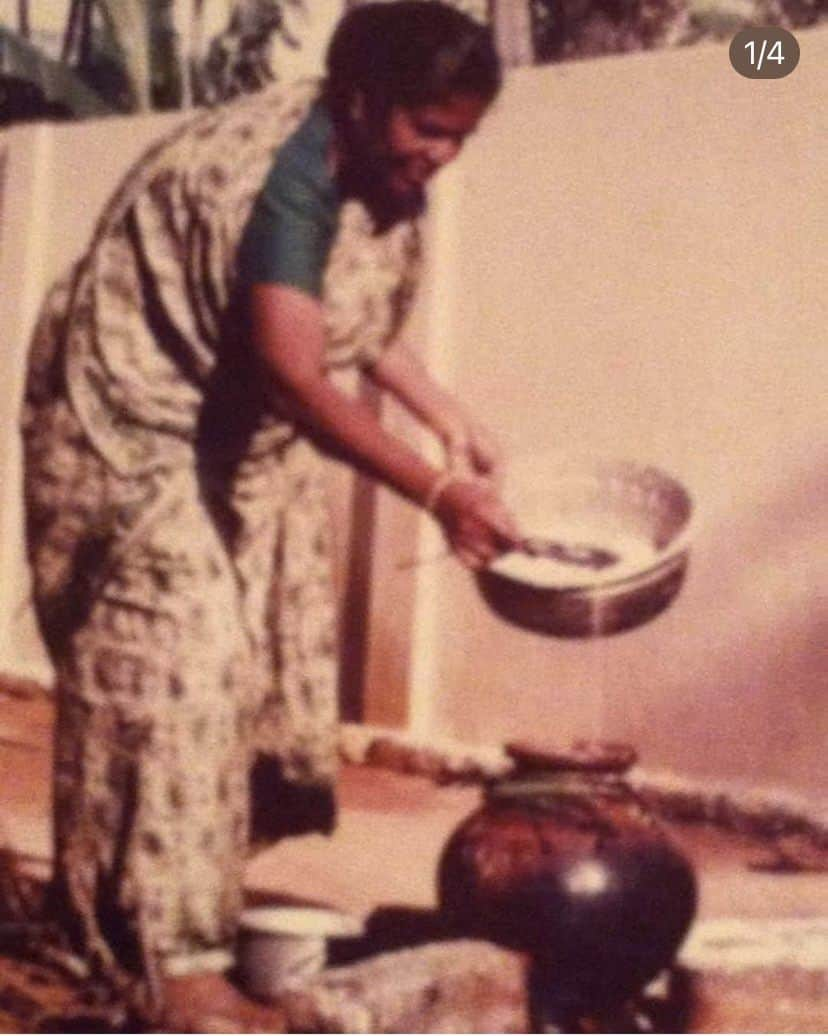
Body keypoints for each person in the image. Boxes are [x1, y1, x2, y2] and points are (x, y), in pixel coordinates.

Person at [21, 0, 520, 1017]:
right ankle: (172, 961)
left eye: (459, 137)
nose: (440, 156)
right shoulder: (276, 180)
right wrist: (435, 491)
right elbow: (295, 370)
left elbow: (338, 315)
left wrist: (444, 414)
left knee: (253, 668)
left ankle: (187, 891)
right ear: (362, 98)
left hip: (228, 423)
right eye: (427, 129)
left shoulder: (364, 166)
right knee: (178, 670)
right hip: (131, 426)